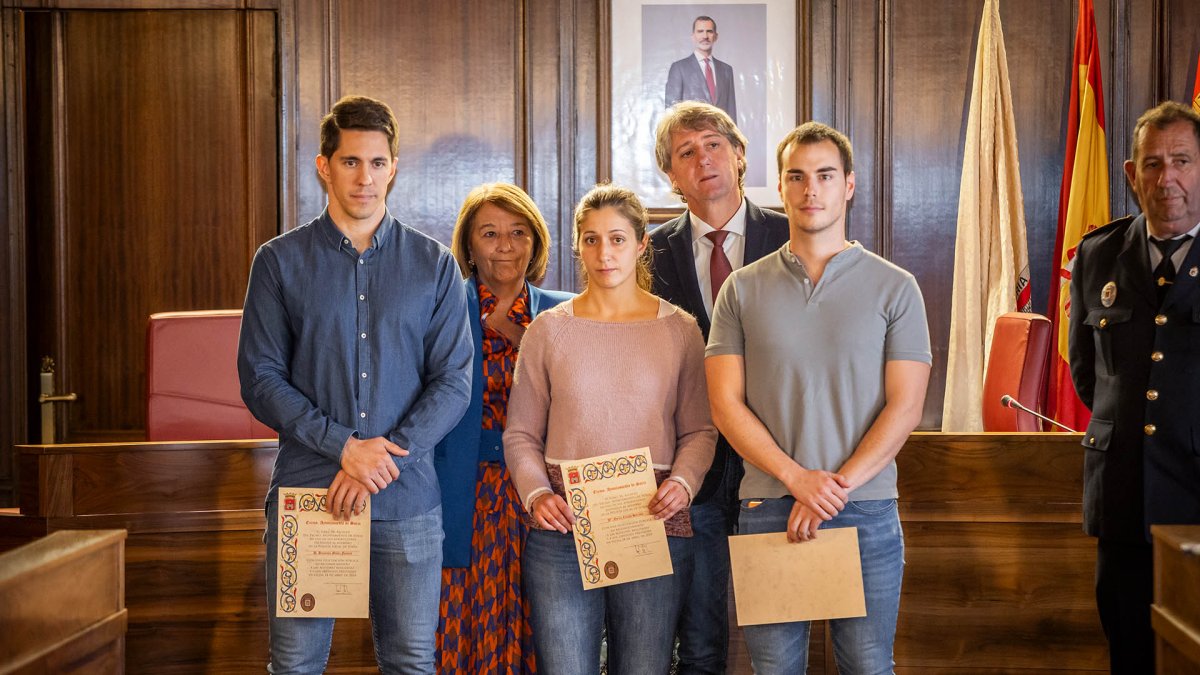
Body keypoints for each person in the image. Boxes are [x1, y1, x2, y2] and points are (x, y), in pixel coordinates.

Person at [238, 94, 472, 674]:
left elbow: (453, 381)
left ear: (393, 167)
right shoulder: (278, 262)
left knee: (412, 661)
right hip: (312, 493)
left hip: (408, 499)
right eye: (349, 162)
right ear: (324, 165)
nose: (364, 178)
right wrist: (345, 447)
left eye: (376, 163)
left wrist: (381, 459)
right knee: (295, 664)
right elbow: (260, 378)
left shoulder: (434, 264)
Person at [706, 122, 931, 673]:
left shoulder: (896, 287)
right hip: (767, 507)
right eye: (797, 177)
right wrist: (796, 480)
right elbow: (725, 405)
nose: (812, 190)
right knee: (774, 670)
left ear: (849, 185)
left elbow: (906, 407)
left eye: (825, 176)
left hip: (867, 508)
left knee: (868, 666)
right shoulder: (741, 288)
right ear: (779, 189)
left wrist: (832, 488)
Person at [503, 184, 716, 674]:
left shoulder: (680, 330)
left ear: (642, 244)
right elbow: (520, 435)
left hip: (651, 516)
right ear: (578, 245)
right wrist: (536, 495)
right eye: (592, 239)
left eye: (618, 239)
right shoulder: (548, 330)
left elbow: (700, 431)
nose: (604, 253)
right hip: (561, 523)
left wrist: (683, 485)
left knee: (644, 666)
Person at [649, 100, 788, 674]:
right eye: (686, 152)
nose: (702, 158)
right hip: (691, 470)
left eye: (713, 144)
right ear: (671, 174)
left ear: (738, 156)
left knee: (781, 640)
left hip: (780, 466)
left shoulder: (792, 235)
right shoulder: (647, 252)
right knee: (700, 640)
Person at [1067, 100, 1200, 674]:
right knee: (1129, 653)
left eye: (1181, 161)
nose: (1165, 177)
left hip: (1197, 501)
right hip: (1124, 501)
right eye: (1151, 163)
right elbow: (1086, 373)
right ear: (1130, 174)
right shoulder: (1098, 256)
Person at [434, 183, 573, 673]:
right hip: (461, 494)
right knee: (457, 627)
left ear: (535, 240)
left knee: (548, 628)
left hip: (545, 496)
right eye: (489, 234)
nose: (506, 245)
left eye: (518, 232)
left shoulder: (568, 311)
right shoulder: (442, 311)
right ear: (469, 246)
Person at [665, 16, 737, 124]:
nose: (705, 36)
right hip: (691, 136)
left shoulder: (726, 70)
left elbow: (731, 112)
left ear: (715, 36)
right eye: (700, 31)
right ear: (693, 37)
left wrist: (733, 140)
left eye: (709, 31)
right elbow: (671, 112)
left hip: (719, 137)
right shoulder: (679, 68)